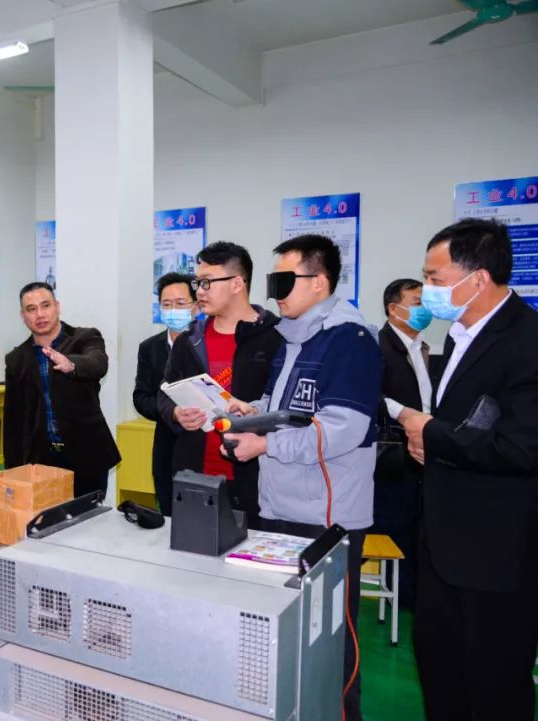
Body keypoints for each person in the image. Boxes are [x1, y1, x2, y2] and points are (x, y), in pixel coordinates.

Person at [224, 235, 379, 721]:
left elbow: (343, 429)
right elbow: (285, 410)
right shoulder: (294, 337)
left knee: (331, 641)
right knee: (288, 635)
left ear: (319, 282)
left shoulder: (349, 340)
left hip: (327, 518)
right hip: (280, 506)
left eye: (284, 281)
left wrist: (265, 445)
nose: (275, 293)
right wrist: (250, 412)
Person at [399, 218, 538, 721]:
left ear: (477, 278)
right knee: (442, 675)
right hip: (442, 544)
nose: (426, 290)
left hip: (496, 556)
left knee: (494, 686)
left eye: (434, 278)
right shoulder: (460, 336)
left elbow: (521, 448)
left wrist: (430, 432)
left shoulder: (527, 340)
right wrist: (430, 446)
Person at [156, 242, 282, 522]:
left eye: (207, 282)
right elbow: (164, 392)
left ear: (237, 283)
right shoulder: (189, 340)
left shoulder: (276, 338)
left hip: (255, 477)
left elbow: (284, 407)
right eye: (197, 283)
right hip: (195, 474)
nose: (199, 291)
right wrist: (175, 412)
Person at [4, 282, 120, 497]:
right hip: (43, 459)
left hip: (87, 454)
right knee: (47, 516)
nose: (40, 314)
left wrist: (72, 365)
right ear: (23, 315)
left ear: (57, 306)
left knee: (89, 516)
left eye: (45, 305)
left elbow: (98, 363)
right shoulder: (16, 359)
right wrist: (12, 471)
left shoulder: (84, 337)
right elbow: (14, 421)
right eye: (31, 309)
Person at [372, 278, 432, 610]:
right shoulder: (378, 346)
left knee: (418, 528)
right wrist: (406, 415)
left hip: (426, 450)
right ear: (394, 309)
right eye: (417, 302)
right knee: (394, 525)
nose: (425, 309)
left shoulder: (423, 347)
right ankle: (403, 600)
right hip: (393, 453)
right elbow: (372, 394)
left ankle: (414, 597)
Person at [133, 273, 196, 514]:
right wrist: (172, 412)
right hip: (165, 448)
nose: (173, 310)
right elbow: (140, 398)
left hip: (201, 445)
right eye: (167, 304)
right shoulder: (149, 348)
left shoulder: (205, 343)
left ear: (195, 306)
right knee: (169, 515)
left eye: (180, 303)